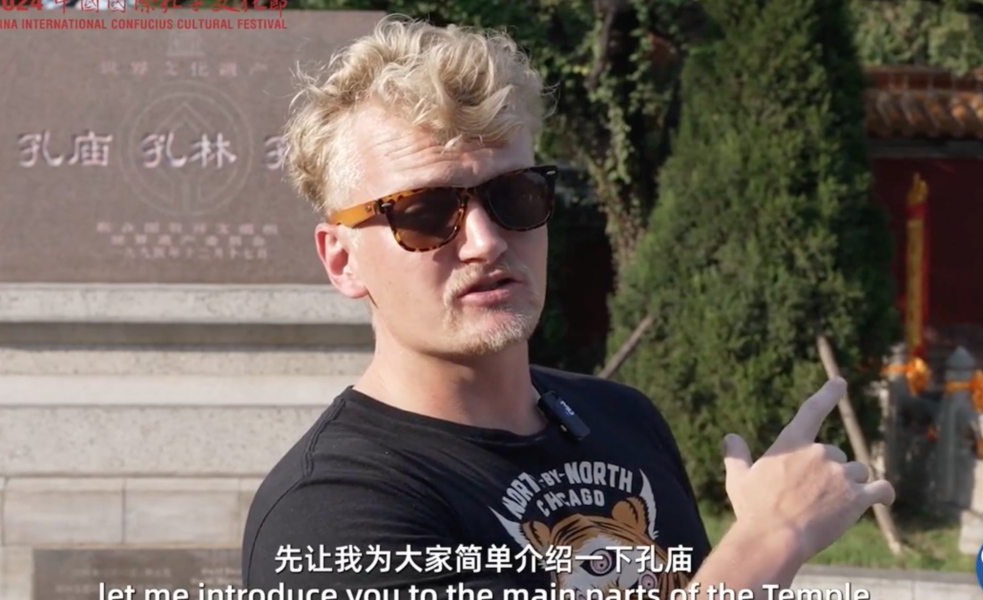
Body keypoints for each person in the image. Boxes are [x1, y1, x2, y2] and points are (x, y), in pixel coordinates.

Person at [241, 14, 895, 596]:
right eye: (426, 212)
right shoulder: (330, 509)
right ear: (341, 259)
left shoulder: (623, 420)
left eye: (515, 196)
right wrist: (766, 543)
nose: (487, 241)